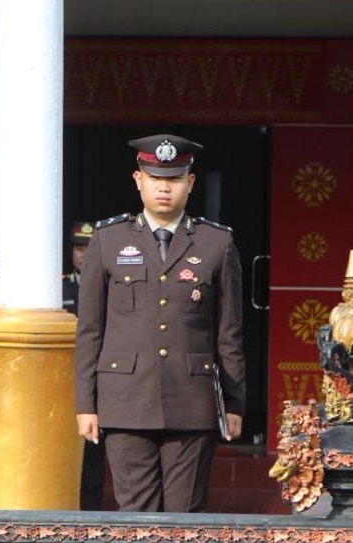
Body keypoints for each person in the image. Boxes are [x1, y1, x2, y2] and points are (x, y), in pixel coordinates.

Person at [74, 134, 246, 513]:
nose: (164, 188)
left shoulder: (217, 243)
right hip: (124, 400)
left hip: (192, 400)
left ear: (190, 182)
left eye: (173, 179)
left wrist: (234, 404)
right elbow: (90, 330)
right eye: (155, 178)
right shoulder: (108, 240)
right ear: (138, 180)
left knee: (185, 518)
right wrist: (86, 404)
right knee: (136, 517)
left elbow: (228, 332)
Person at [61, 220, 106, 510]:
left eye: (88, 248)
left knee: (93, 448)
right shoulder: (59, 284)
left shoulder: (109, 282)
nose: (83, 254)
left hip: (98, 375)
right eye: (78, 248)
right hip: (65, 376)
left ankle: (92, 510)